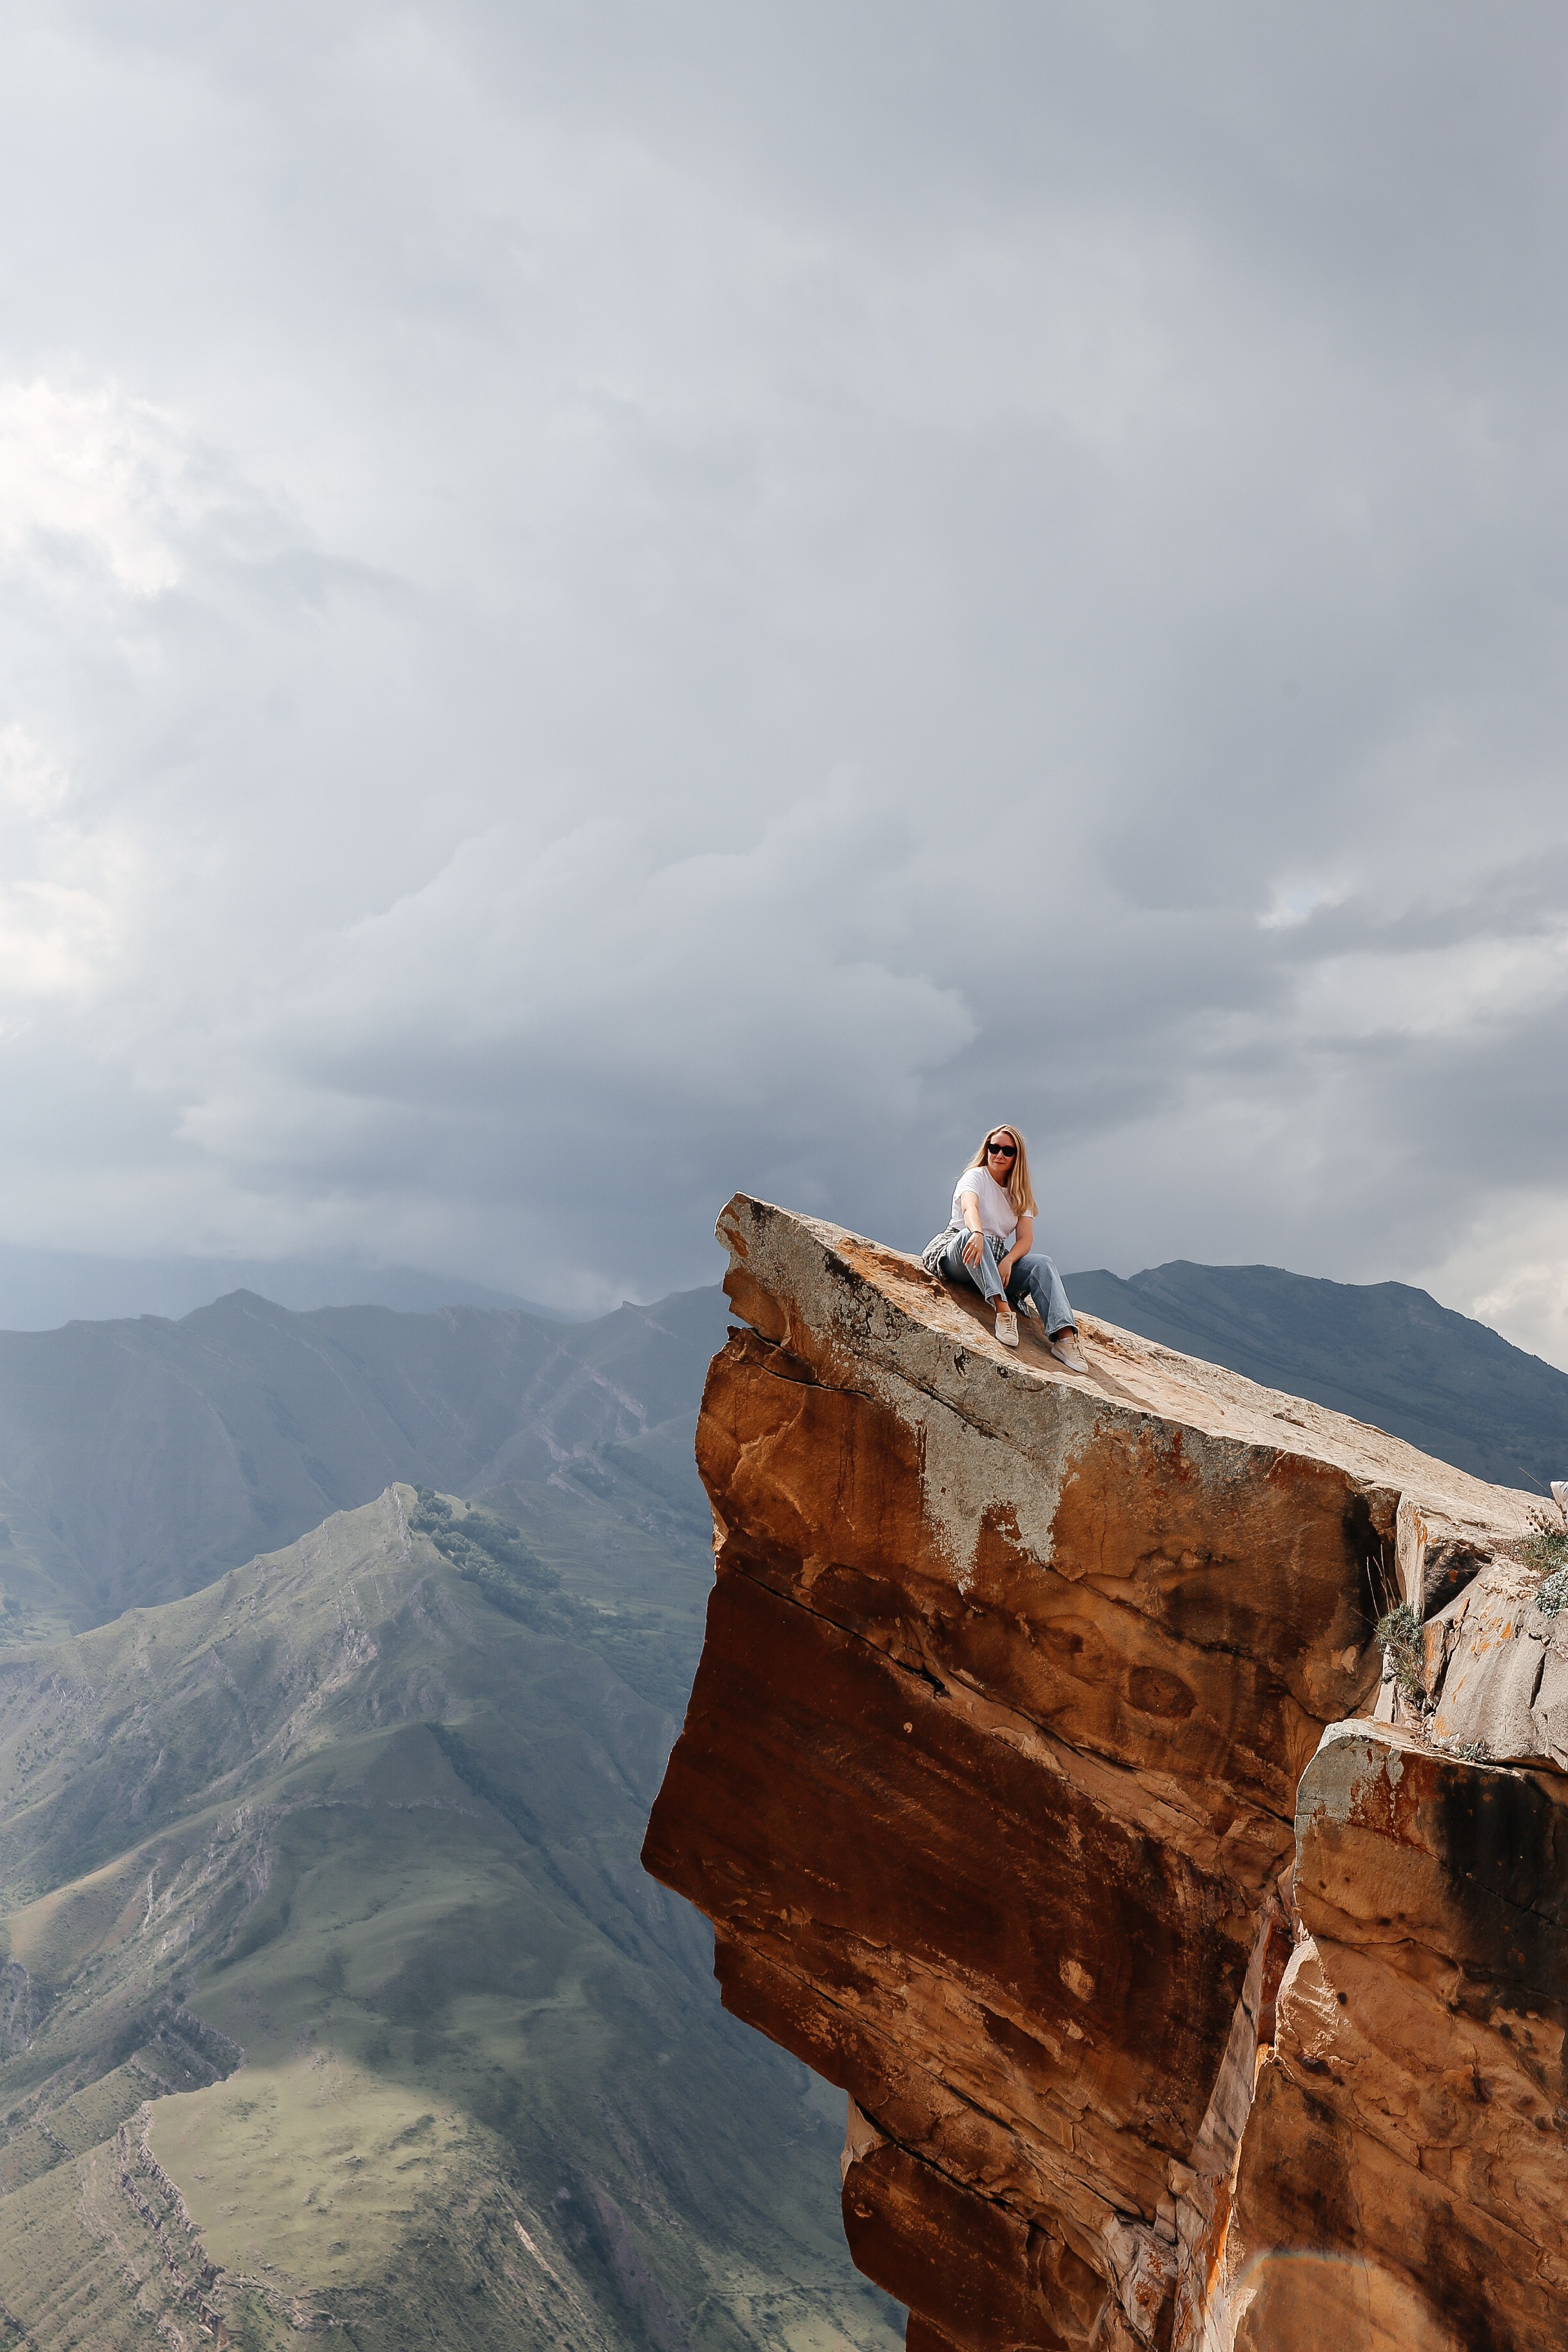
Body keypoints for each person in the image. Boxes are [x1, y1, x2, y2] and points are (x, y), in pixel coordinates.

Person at [924, 1124, 1088, 1367]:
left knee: (1042, 1264)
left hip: (995, 1258)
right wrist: (977, 1232)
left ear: (1016, 1157)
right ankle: (1002, 1311)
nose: (999, 1155)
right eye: (994, 1148)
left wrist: (1009, 1260)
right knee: (968, 1239)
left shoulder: (1020, 1193)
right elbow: (970, 1208)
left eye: (1007, 1151)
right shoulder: (975, 1177)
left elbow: (1025, 1239)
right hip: (961, 1250)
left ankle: (1065, 1339)